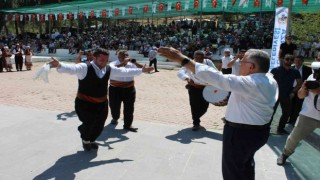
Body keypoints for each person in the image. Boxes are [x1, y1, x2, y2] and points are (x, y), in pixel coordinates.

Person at [157, 47, 278, 180]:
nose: (239, 64)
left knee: (233, 172)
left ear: (251, 67)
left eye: (242, 61)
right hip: (257, 132)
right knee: (245, 165)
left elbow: (218, 78)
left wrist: (182, 59)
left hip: (241, 135)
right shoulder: (269, 79)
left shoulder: (253, 83)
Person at [48, 48, 153, 151]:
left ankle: (92, 140)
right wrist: (60, 65)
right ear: (94, 58)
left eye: (106, 60)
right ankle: (85, 139)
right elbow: (72, 69)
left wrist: (142, 70)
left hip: (102, 103)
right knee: (89, 123)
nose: (104, 63)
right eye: (101, 60)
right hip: (85, 103)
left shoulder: (108, 69)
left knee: (99, 126)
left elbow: (123, 71)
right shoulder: (85, 67)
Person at [277, 73, 320, 165]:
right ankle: (285, 154)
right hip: (308, 115)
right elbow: (300, 96)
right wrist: (304, 89)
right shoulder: (312, 77)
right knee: (293, 138)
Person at [109, 50, 153, 132]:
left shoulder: (131, 64)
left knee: (129, 108)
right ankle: (115, 117)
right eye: (124, 55)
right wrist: (123, 64)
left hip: (129, 89)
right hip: (115, 89)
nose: (126, 57)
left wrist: (135, 63)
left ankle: (127, 125)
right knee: (114, 106)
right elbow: (114, 69)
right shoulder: (112, 64)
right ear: (119, 56)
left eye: (127, 55)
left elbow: (142, 69)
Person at [177, 50, 217, 131]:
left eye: (200, 58)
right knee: (194, 105)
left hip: (206, 88)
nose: (198, 59)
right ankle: (196, 123)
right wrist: (187, 78)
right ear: (194, 57)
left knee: (205, 107)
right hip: (193, 88)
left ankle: (196, 117)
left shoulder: (208, 62)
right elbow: (180, 72)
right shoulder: (189, 63)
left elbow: (216, 72)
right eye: (196, 57)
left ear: (204, 57)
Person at [270, 54, 302, 134]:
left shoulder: (295, 71)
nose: (289, 61)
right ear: (283, 59)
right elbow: (269, 82)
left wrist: (293, 92)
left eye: (291, 59)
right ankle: (266, 129)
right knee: (271, 112)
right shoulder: (275, 70)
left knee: (286, 113)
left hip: (288, 95)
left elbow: (299, 83)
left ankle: (281, 128)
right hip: (275, 95)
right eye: (287, 59)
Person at [288, 56, 312, 125]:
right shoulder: (290, 68)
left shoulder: (308, 69)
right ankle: (290, 118)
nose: (297, 62)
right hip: (291, 88)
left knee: (298, 105)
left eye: (299, 60)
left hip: (301, 89)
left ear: (302, 61)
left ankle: (294, 120)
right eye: (296, 60)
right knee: (290, 105)